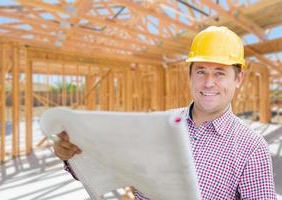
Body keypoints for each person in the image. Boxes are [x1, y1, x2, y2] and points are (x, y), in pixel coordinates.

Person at [52, 26, 277, 199]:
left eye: (220, 73)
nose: (209, 83)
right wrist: (73, 156)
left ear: (238, 79)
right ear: (190, 76)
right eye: (201, 71)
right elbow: (114, 170)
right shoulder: (162, 123)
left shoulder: (251, 148)